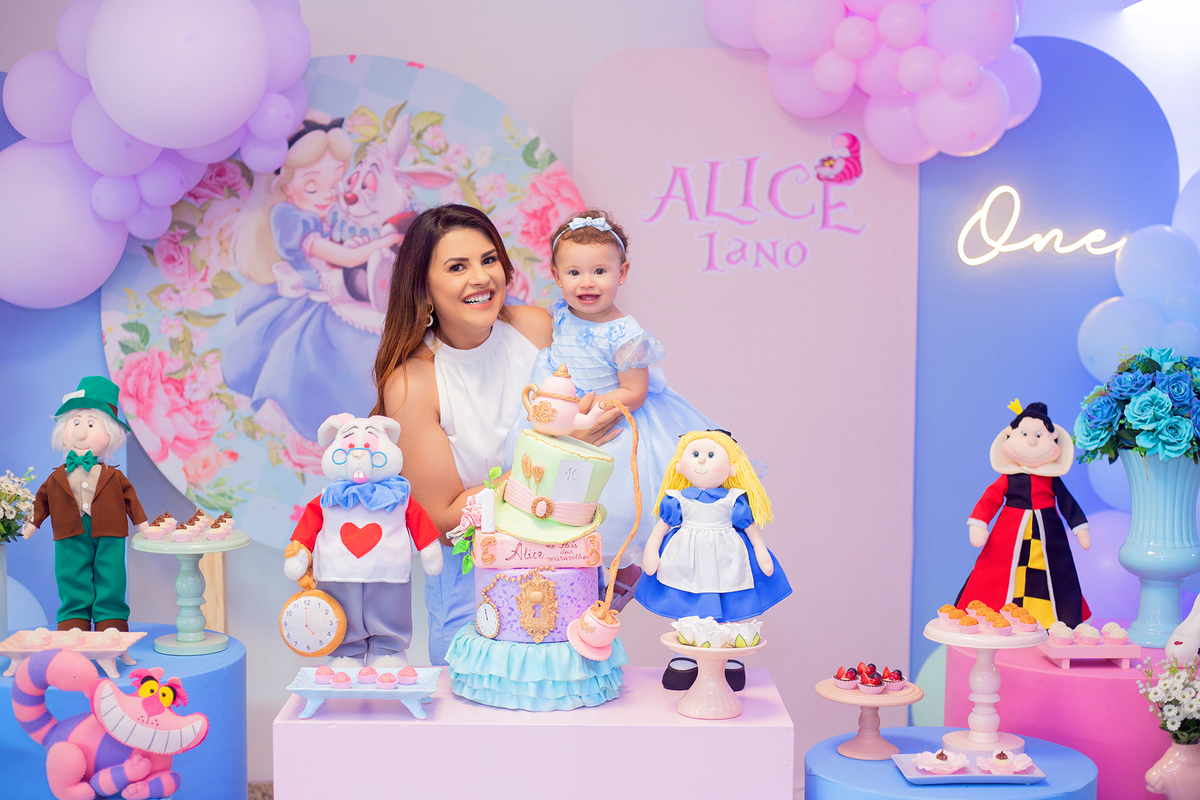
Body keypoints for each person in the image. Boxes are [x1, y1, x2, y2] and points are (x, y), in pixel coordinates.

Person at [373, 204, 621, 664]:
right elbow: (445, 522)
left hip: (565, 571)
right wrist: (556, 464)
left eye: (489, 260)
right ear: (423, 287)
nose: (481, 278)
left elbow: (604, 420)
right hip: (475, 589)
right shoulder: (414, 383)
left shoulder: (537, 328)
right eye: (456, 267)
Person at [505, 210, 717, 608]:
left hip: (611, 424)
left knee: (611, 506)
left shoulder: (624, 333)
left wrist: (591, 406)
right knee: (557, 502)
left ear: (622, 273)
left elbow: (635, 390)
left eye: (600, 271)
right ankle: (568, 577)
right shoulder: (560, 315)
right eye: (574, 273)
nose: (587, 282)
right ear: (555, 275)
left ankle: (616, 576)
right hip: (566, 415)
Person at [226, 114, 399, 441]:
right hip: (311, 298)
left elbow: (341, 248)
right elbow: (341, 257)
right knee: (327, 356)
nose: (326, 194)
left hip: (329, 288)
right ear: (284, 185)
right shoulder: (290, 219)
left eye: (335, 183)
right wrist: (386, 241)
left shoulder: (321, 215)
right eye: (311, 186)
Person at [23, 376, 149, 632]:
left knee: (111, 574)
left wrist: (143, 525)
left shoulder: (114, 477)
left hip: (110, 530)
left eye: (91, 423)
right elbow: (42, 500)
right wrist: (32, 523)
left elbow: (130, 499)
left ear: (109, 432)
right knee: (70, 574)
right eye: (76, 422)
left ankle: (111, 618)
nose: (81, 431)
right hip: (69, 530)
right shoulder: (56, 477)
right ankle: (73, 619)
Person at [956, 401, 1091, 628]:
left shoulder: (1051, 480)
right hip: (1008, 535)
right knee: (1001, 572)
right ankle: (996, 615)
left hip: (1050, 538)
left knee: (1053, 575)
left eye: (1039, 435)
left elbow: (1068, 504)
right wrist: (979, 523)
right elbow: (990, 499)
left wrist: (1080, 527)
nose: (1031, 440)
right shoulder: (1009, 478)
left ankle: (1049, 619)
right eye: (1026, 433)